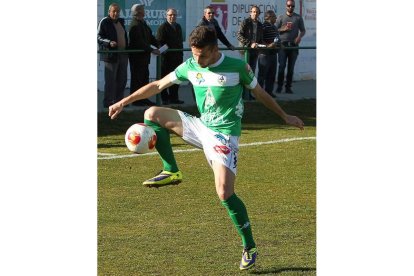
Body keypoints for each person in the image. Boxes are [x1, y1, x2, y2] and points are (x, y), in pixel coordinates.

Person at [108, 26, 304, 271]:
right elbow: (158, 85)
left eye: (201, 55)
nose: (197, 60)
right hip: (200, 126)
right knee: (151, 113)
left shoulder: (237, 67)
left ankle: (249, 246)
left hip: (224, 136)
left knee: (224, 193)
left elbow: (261, 93)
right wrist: (123, 101)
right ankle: (171, 170)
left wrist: (284, 116)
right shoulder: (190, 66)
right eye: (194, 54)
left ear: (214, 49)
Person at [97, 3, 128, 108]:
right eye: (113, 11)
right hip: (111, 55)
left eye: (118, 11)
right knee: (110, 81)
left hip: (123, 55)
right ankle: (108, 102)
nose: (116, 13)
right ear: (109, 12)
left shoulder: (121, 22)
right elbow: (99, 37)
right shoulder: (104, 22)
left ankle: (119, 102)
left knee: (122, 79)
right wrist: (109, 42)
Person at [128, 4, 160, 106]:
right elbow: (140, 42)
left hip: (144, 57)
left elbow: (150, 37)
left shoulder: (143, 23)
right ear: (138, 12)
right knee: (137, 79)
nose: (144, 11)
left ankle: (144, 98)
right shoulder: (134, 25)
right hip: (137, 58)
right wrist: (152, 50)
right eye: (142, 10)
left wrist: (159, 45)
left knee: (144, 78)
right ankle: (136, 100)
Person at [275, 0, 306, 94]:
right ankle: (279, 87)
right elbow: (275, 30)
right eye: (289, 6)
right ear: (286, 6)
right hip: (283, 45)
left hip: (293, 46)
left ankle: (288, 87)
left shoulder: (298, 17)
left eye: (292, 6)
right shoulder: (280, 17)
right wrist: (283, 29)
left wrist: (299, 37)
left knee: (291, 68)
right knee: (281, 67)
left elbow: (303, 30)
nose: (290, 7)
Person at [156, 8, 184, 105]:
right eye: (170, 15)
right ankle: (165, 99)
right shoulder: (162, 27)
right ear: (166, 16)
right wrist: (166, 50)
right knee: (165, 79)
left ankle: (174, 98)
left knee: (176, 79)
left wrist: (181, 54)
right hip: (166, 59)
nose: (172, 17)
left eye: (174, 15)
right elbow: (159, 43)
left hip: (177, 58)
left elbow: (180, 41)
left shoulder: (178, 27)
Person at [236, 5, 263, 100]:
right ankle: (242, 94)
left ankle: (249, 94)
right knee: (244, 72)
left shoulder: (260, 24)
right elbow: (239, 35)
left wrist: (260, 47)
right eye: (253, 11)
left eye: (257, 12)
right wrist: (249, 43)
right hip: (245, 51)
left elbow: (260, 38)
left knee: (251, 73)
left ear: (259, 14)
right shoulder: (245, 22)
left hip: (254, 51)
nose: (255, 13)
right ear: (250, 13)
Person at [257, 10, 280, 98]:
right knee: (262, 75)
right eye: (274, 17)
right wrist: (268, 46)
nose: (276, 18)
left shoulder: (274, 27)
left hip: (273, 54)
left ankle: (269, 92)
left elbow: (277, 37)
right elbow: (260, 40)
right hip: (264, 54)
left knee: (272, 74)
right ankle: (259, 94)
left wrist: (279, 44)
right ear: (269, 17)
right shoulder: (263, 27)